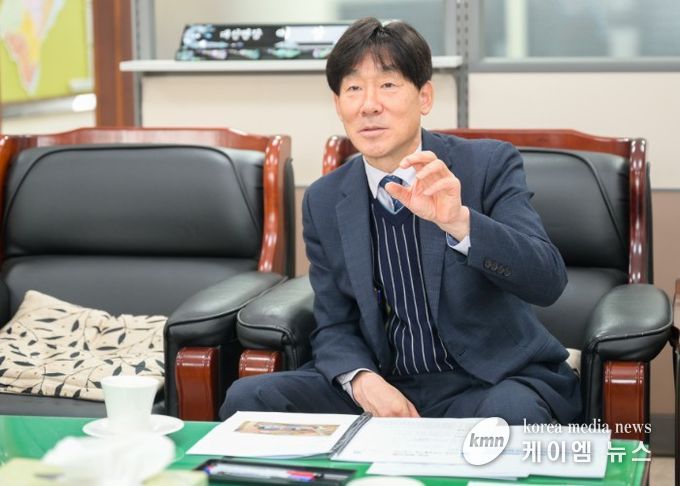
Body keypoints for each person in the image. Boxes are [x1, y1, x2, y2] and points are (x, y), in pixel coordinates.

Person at [220, 17, 581, 425]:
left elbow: (547, 281)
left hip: (487, 382)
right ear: (338, 105)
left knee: (512, 417)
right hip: (387, 384)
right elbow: (334, 324)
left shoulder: (486, 165)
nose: (369, 105)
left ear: (424, 97)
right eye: (353, 89)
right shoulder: (324, 199)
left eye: (388, 84)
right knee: (248, 400)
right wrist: (361, 381)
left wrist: (460, 223)